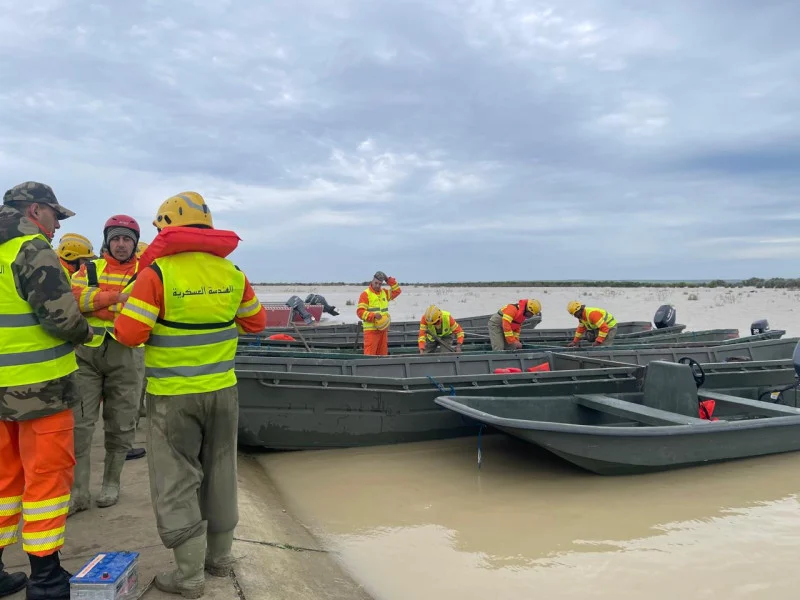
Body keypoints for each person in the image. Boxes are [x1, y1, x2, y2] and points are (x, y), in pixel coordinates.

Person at [113, 191, 267, 598]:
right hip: (223, 392)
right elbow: (257, 323)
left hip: (172, 397)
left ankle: (189, 576)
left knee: (176, 480)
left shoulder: (157, 275)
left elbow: (129, 336)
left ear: (165, 227)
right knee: (220, 474)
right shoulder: (232, 273)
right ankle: (220, 559)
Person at [0, 181, 93, 600]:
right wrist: (87, 331)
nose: (56, 227)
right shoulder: (30, 248)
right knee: (46, 482)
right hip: (39, 391)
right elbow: (60, 317)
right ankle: (46, 578)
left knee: (3, 481)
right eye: (55, 216)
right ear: (35, 210)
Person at [67, 215, 144, 516]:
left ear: (134, 243)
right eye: (116, 238)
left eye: (126, 239)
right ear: (107, 241)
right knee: (79, 426)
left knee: (121, 424)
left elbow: (141, 305)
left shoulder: (147, 272)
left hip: (127, 355)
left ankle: (111, 483)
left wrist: (97, 302)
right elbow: (73, 299)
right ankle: (79, 493)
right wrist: (117, 299)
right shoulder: (88, 268)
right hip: (86, 356)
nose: (121, 244)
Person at [356, 271, 401, 356]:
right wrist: (373, 316)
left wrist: (388, 279)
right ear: (372, 281)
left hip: (383, 330)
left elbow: (397, 290)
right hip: (371, 332)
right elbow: (360, 312)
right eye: (376, 283)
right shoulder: (365, 294)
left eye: (380, 284)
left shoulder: (384, 293)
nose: (377, 285)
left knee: (383, 356)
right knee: (370, 357)